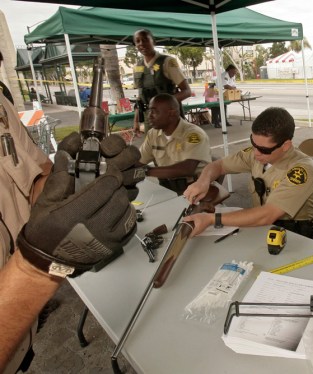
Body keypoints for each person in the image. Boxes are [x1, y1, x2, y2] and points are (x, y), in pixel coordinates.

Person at [0, 87, 143, 372]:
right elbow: (36, 265)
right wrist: (36, 268)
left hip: (21, 342)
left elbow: (36, 178)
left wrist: (75, 184)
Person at [183, 107, 313, 238]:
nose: (256, 153)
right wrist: (203, 182)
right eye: (253, 144)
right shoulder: (257, 154)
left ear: (286, 146)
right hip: (262, 227)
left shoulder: (301, 171)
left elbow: (267, 214)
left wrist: (212, 219)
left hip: (295, 235)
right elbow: (218, 165)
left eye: (264, 149)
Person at [138, 93, 212, 195]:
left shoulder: (193, 134)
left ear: (171, 113)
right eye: (149, 110)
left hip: (195, 189)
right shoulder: (153, 134)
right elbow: (139, 161)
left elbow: (187, 169)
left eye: (154, 111)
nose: (149, 115)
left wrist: (146, 171)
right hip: (166, 189)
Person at [132, 29, 191, 134]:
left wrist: (164, 105)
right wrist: (136, 121)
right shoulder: (137, 67)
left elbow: (186, 91)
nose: (141, 43)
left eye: (145, 40)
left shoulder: (167, 62)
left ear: (153, 41)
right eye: (138, 41)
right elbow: (140, 97)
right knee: (154, 148)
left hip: (168, 119)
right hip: (149, 119)